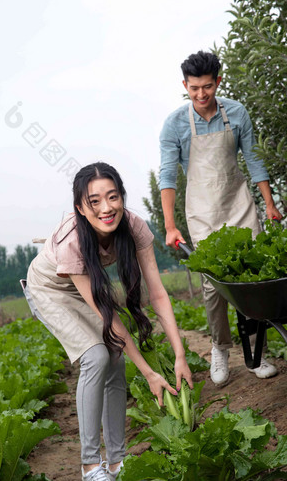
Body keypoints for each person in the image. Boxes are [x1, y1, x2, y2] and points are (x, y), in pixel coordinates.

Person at [25, 162, 193, 481]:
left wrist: (180, 356)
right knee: (97, 356)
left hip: (88, 288)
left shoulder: (134, 226)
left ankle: (116, 461)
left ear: (122, 198)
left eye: (113, 197)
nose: (106, 208)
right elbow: (107, 313)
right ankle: (90, 466)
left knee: (115, 356)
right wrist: (148, 372)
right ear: (80, 207)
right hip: (50, 289)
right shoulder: (73, 239)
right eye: (95, 201)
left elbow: (157, 293)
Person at [159, 50, 282, 387]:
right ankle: (220, 348)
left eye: (208, 87)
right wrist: (170, 226)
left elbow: (254, 161)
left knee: (252, 281)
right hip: (202, 211)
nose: (201, 95)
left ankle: (257, 355)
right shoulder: (175, 124)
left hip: (238, 204)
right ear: (185, 85)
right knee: (214, 286)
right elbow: (168, 176)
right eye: (194, 88)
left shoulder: (237, 113)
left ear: (218, 81)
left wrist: (269, 204)